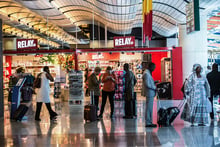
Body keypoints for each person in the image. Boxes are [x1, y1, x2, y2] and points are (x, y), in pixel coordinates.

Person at [142, 62, 157, 127]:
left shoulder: (147, 73)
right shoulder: (146, 74)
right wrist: (154, 87)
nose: (154, 69)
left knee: (150, 108)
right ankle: (148, 122)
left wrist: (154, 82)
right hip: (149, 93)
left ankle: (149, 121)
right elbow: (147, 84)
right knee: (149, 108)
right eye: (153, 68)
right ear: (150, 67)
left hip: (150, 93)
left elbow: (149, 82)